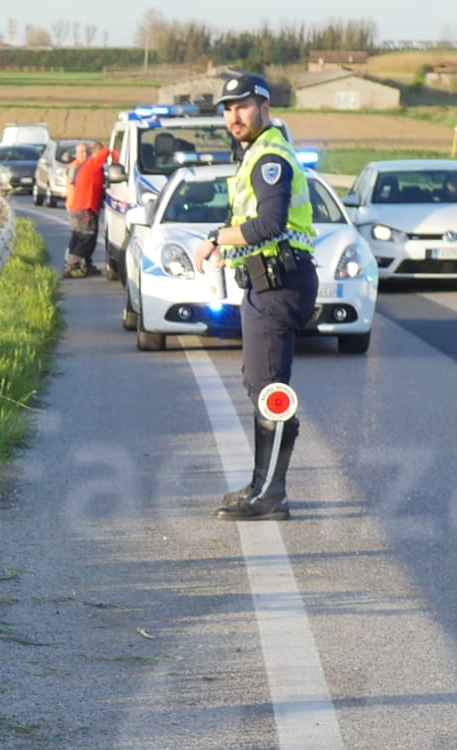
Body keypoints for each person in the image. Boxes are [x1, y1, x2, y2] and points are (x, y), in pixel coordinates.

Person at [191, 71, 317, 522]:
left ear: (264, 107)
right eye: (227, 110)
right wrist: (232, 249)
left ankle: (271, 495)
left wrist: (215, 238)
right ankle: (262, 483)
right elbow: (260, 228)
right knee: (260, 384)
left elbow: (270, 224)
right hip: (267, 283)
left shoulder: (269, 157)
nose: (234, 116)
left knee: (270, 390)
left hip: (279, 285)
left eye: (242, 106)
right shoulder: (254, 155)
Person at [65, 140, 112, 278]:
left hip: (80, 206)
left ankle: (86, 265)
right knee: (86, 237)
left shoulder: (87, 166)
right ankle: (73, 266)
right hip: (84, 207)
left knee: (79, 236)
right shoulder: (92, 163)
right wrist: (113, 151)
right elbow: (104, 152)